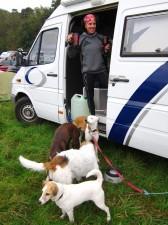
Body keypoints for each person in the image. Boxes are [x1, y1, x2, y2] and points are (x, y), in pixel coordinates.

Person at [67, 14, 111, 115]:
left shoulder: (101, 38)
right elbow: (71, 55)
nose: (92, 26)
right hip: (88, 73)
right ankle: (93, 117)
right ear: (85, 25)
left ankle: (110, 114)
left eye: (94, 23)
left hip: (101, 71)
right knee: (90, 97)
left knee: (110, 94)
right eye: (90, 24)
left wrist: (107, 49)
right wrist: (70, 43)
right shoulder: (79, 38)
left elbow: (105, 54)